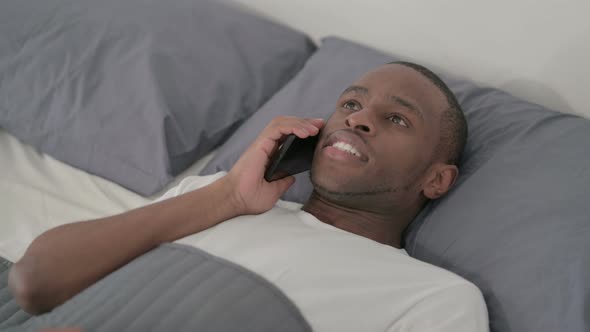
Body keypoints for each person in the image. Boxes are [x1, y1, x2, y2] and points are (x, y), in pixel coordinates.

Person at [8, 62, 489, 331]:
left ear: (437, 180)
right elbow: (35, 281)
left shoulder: (437, 299)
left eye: (397, 119)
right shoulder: (211, 199)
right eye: (350, 104)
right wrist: (227, 199)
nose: (358, 119)